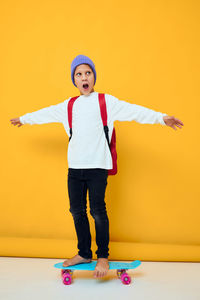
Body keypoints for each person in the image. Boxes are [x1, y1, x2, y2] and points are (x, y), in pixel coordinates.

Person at [10, 54, 184, 279]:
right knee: (76, 211)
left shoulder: (106, 102)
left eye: (88, 73)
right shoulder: (69, 105)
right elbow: (46, 113)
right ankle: (84, 253)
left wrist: (161, 118)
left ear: (94, 77)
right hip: (75, 168)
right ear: (74, 80)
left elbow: (135, 111)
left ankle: (102, 255)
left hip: (98, 167)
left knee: (98, 211)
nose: (84, 77)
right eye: (79, 74)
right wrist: (24, 119)